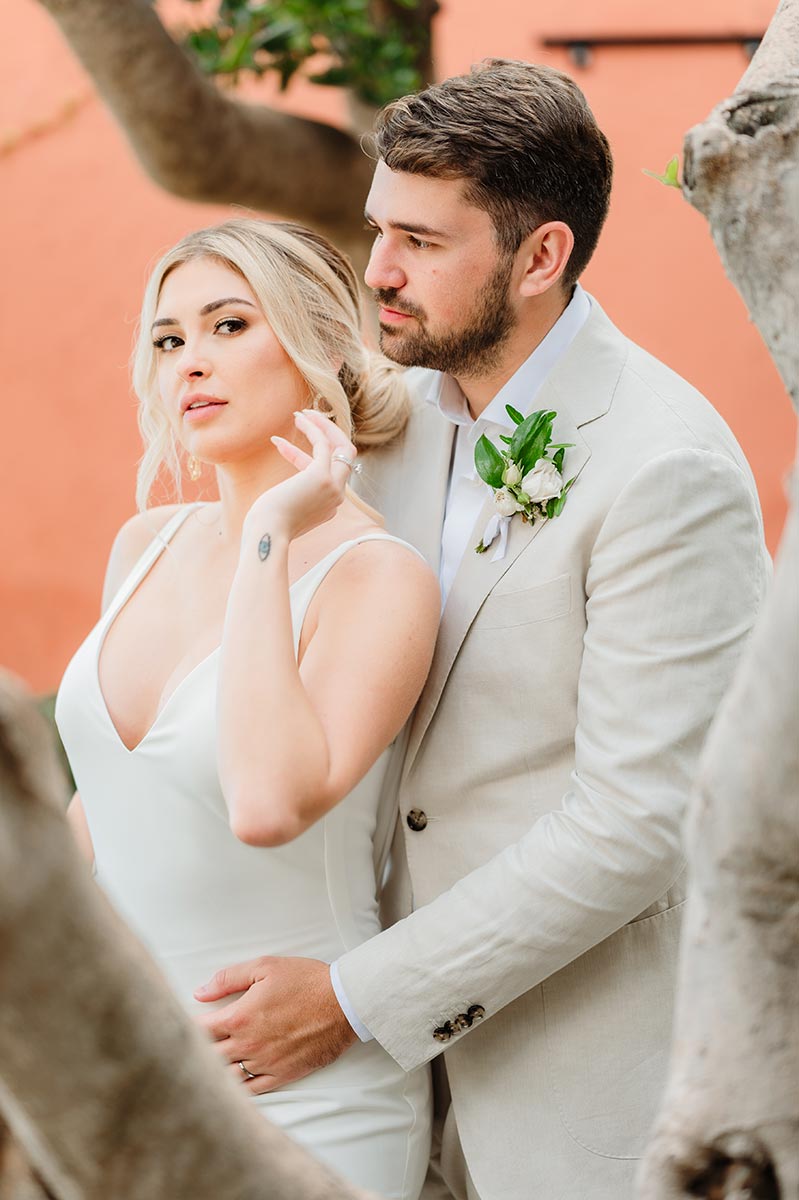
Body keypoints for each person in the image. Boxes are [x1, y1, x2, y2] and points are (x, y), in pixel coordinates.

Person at [188, 61, 771, 1200]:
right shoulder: (372, 420)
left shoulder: (667, 466)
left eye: (421, 241)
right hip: (365, 1114)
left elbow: (640, 822)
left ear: (541, 256)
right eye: (375, 230)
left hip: (579, 1103)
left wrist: (357, 999)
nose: (379, 274)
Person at [54, 217, 440, 1200]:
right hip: (133, 1091)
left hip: (303, 1098)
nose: (191, 363)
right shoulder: (143, 546)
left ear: (315, 344)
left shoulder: (376, 578)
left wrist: (270, 531)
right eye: (169, 339)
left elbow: (265, 804)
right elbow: (106, 809)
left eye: (229, 325)